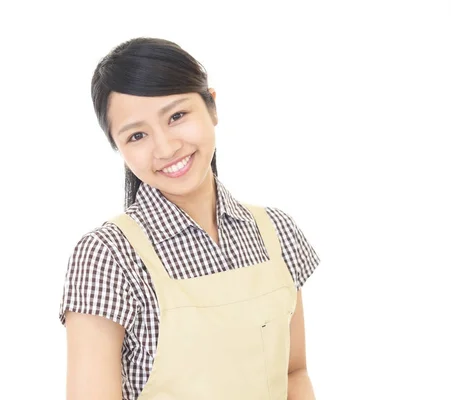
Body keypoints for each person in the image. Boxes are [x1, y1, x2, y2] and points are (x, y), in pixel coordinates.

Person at [58, 37, 321, 400]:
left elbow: (293, 373)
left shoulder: (277, 232)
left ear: (211, 105)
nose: (166, 148)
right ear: (119, 149)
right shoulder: (108, 257)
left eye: (177, 116)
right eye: (137, 135)